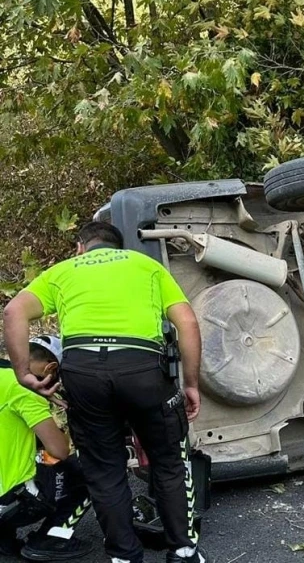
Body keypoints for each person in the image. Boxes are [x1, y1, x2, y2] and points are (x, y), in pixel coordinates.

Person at [3, 222, 204, 563]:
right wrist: (191, 384)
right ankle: (183, 552)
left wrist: (23, 372)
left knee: (105, 470)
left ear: (81, 248)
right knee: (169, 462)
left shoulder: (62, 271)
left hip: (84, 374)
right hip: (143, 368)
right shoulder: (146, 266)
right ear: (120, 248)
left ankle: (124, 556)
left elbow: (13, 312)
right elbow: (187, 322)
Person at [0, 335, 92, 561]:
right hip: (11, 500)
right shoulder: (23, 390)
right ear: (50, 368)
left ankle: (4, 538)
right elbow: (60, 449)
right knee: (91, 473)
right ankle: (51, 539)